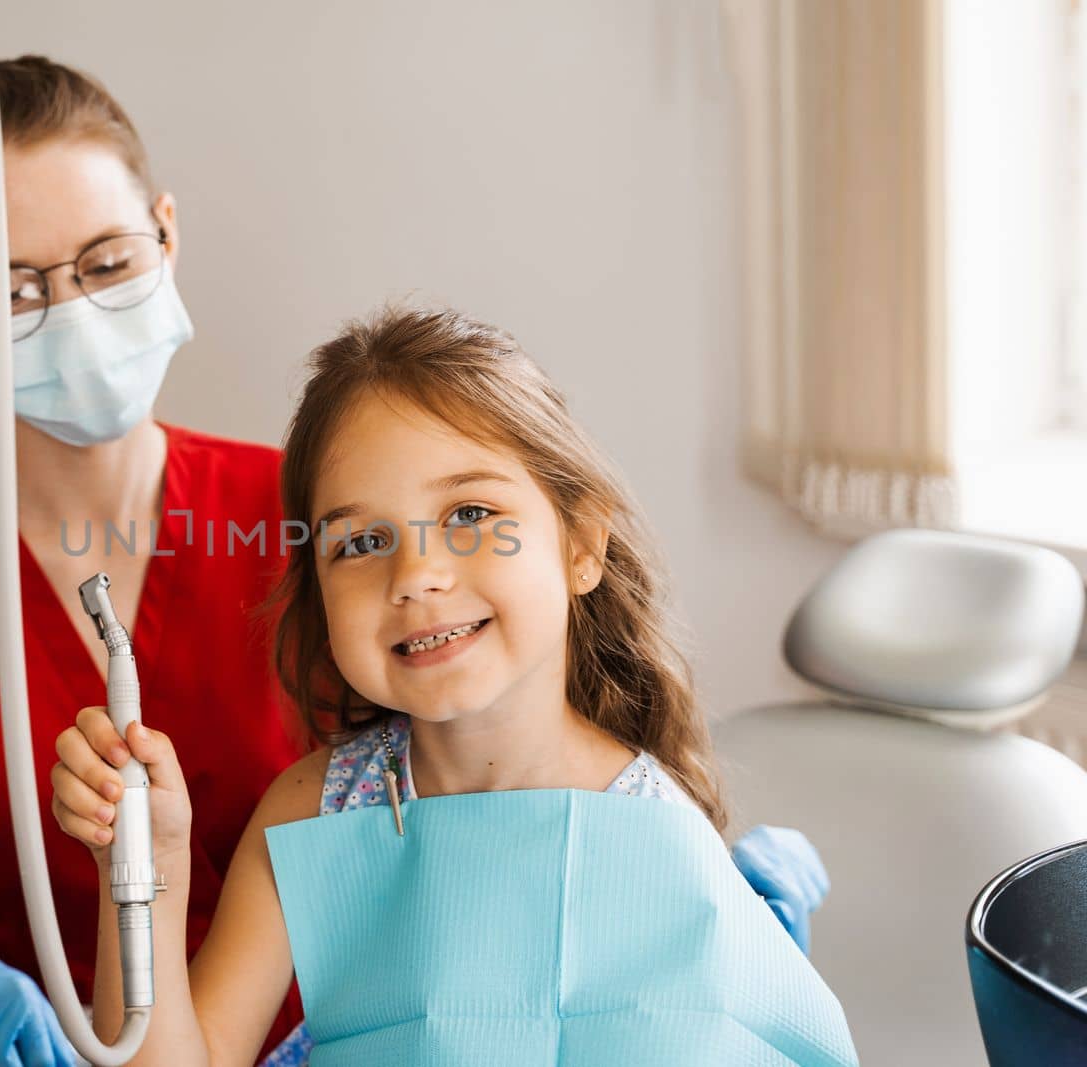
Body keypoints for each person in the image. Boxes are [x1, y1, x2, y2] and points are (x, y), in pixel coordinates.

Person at [0, 55, 825, 1067]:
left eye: (105, 262)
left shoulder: (298, 509)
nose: (416, 571)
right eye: (12, 287)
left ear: (162, 235)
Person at [53, 307, 846, 1066]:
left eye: (470, 512)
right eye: (361, 540)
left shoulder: (650, 841)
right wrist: (145, 869)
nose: (418, 575)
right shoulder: (313, 812)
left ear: (581, 546)